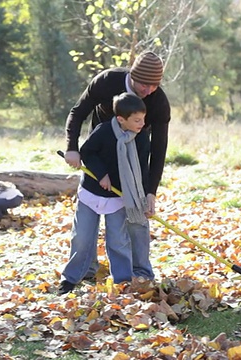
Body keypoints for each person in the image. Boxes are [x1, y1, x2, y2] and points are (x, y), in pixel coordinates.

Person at [63, 51, 169, 281]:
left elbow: (159, 148)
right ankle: (86, 269)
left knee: (135, 219)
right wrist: (72, 147)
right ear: (132, 75)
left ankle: (139, 272)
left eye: (153, 86)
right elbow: (77, 112)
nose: (148, 91)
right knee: (87, 220)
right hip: (98, 158)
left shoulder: (158, 100)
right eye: (143, 84)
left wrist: (151, 191)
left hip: (133, 163)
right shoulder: (106, 81)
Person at [59, 93, 151, 294]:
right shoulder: (104, 131)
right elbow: (87, 152)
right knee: (82, 238)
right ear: (121, 119)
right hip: (92, 193)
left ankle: (122, 281)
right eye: (137, 120)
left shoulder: (141, 137)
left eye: (143, 119)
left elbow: (143, 169)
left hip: (119, 197)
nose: (142, 124)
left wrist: (143, 198)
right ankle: (71, 278)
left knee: (118, 240)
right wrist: (101, 175)